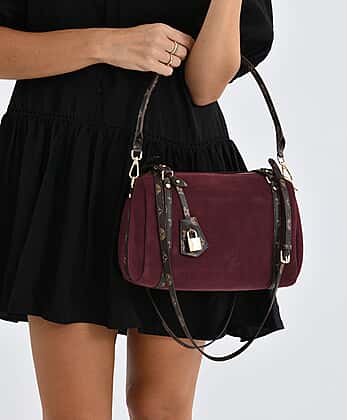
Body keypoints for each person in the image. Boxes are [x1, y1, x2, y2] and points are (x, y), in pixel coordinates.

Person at [0, 1, 283, 419]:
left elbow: (206, 86)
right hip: (64, 173)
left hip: (179, 184)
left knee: (161, 408)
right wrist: (105, 45)